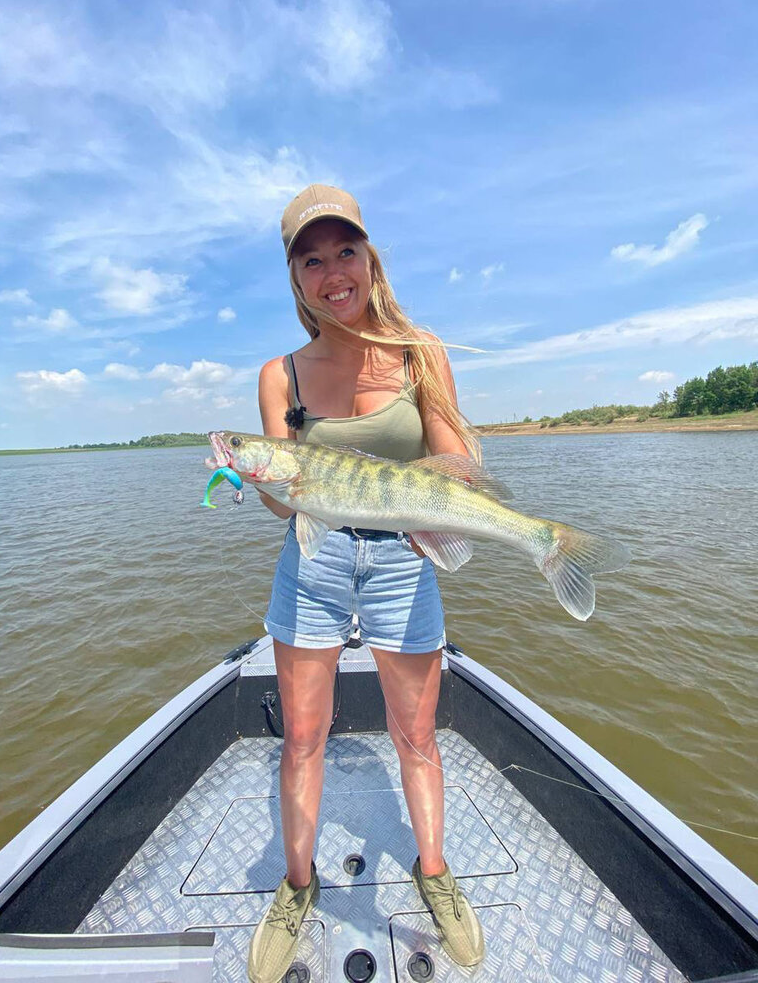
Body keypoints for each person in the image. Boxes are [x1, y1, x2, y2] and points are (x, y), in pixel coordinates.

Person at [248, 184, 485, 983]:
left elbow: (457, 464)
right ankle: (297, 885)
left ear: (369, 258)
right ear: (296, 278)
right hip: (312, 562)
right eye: (311, 260)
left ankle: (433, 871)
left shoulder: (420, 352)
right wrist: (263, 477)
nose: (332, 272)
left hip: (402, 561)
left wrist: (437, 510)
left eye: (343, 251)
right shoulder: (279, 375)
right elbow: (285, 499)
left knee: (415, 735)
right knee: (302, 737)